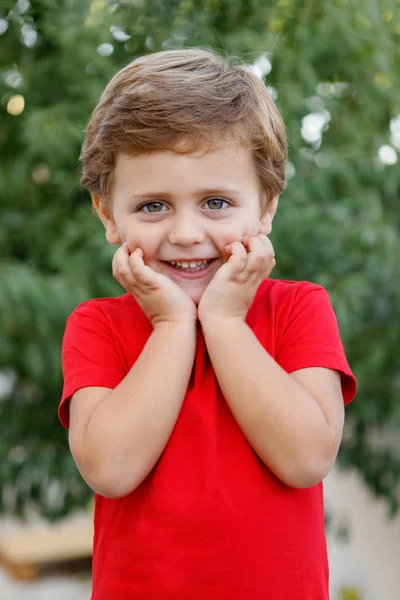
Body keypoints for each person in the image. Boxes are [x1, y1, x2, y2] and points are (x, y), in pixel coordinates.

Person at [59, 48, 356, 600]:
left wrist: (224, 321)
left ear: (265, 207)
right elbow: (110, 469)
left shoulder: (299, 309)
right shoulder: (97, 325)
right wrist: (172, 326)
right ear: (107, 214)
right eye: (153, 206)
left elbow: (307, 458)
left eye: (216, 202)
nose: (187, 233)